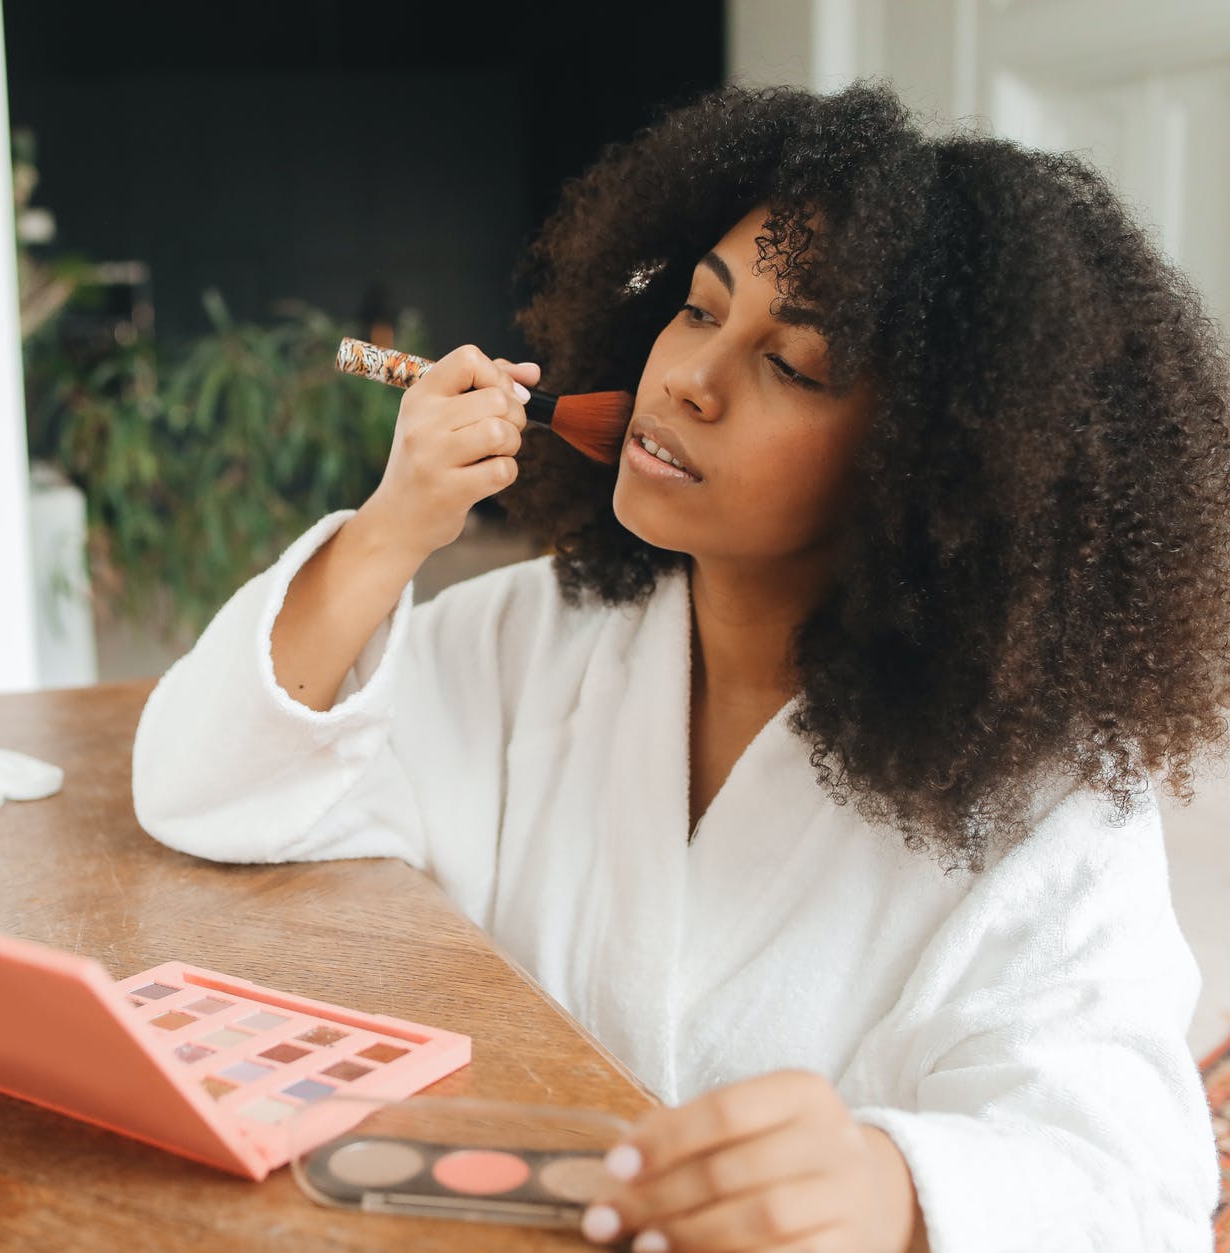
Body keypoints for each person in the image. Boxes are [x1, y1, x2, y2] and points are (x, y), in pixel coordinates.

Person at [131, 81, 1229, 1251]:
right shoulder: (530, 637)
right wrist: (391, 527)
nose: (689, 379)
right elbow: (207, 789)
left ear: (932, 463)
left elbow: (1138, 1181)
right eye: (697, 311)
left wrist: (894, 1189)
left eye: (790, 366)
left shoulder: (1036, 794)